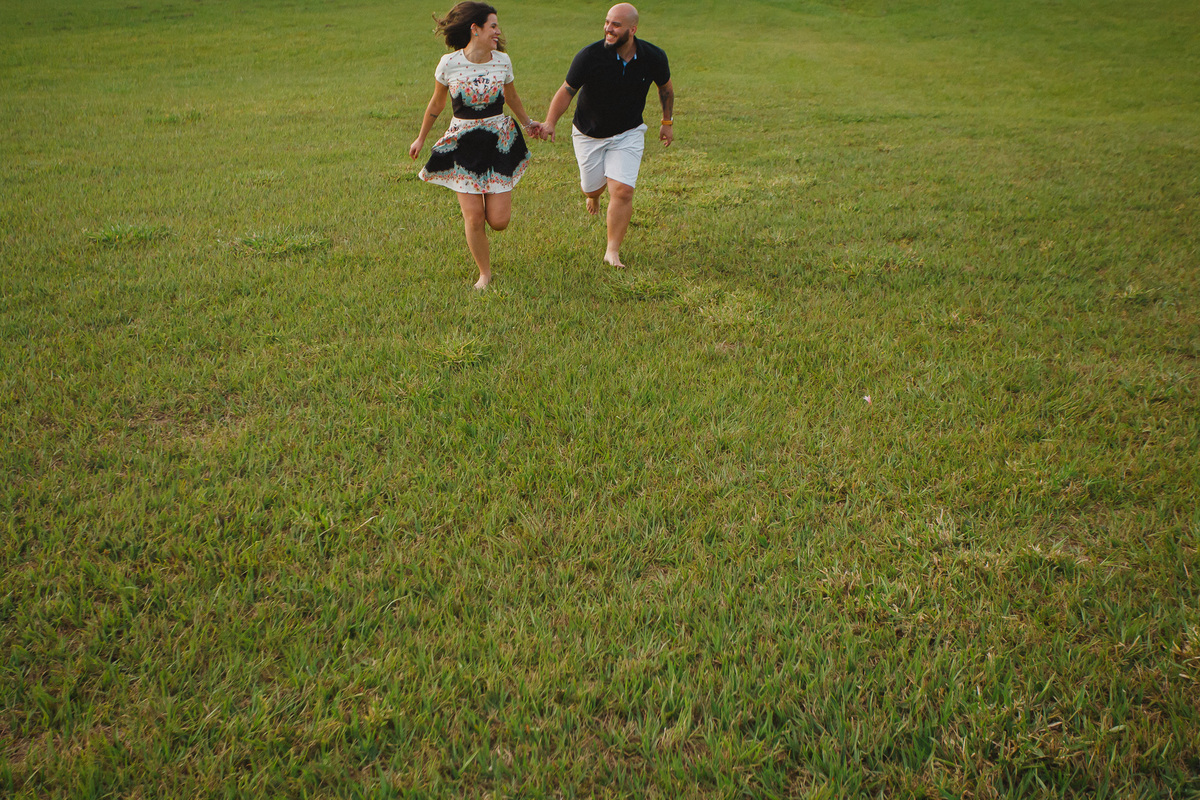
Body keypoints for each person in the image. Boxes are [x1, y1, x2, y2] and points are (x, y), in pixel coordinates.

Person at [409, 2, 543, 289]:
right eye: (493, 26)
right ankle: (485, 273)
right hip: (463, 143)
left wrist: (529, 123)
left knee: (499, 221)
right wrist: (421, 137)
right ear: (475, 29)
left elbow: (512, 97)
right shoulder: (449, 63)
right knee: (474, 216)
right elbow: (436, 103)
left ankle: (487, 253)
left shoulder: (502, 61)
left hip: (498, 141)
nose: (498, 31)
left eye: (497, 26)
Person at [539, 3, 674, 269]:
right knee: (592, 187)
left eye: (616, 25)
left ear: (632, 29)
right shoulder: (589, 56)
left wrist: (667, 122)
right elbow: (567, 90)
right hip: (589, 133)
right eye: (607, 22)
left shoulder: (653, 56)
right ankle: (593, 194)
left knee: (622, 191)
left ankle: (612, 250)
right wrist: (550, 122)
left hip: (629, 132)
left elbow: (665, 88)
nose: (608, 29)